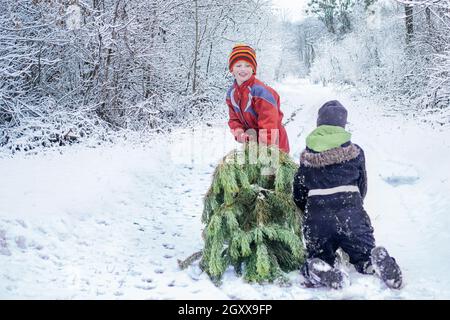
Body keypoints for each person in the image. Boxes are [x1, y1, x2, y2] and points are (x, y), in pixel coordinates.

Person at [293, 100, 402, 289]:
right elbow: (362, 186)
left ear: (319, 124)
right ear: (343, 125)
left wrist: (309, 212)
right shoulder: (356, 152)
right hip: (352, 213)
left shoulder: (306, 157)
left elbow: (299, 193)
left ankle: (321, 268)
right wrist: (355, 208)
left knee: (319, 255)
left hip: (318, 217)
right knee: (363, 255)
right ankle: (373, 262)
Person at [226, 43, 290, 153]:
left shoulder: (261, 92)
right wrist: (240, 133)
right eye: (238, 65)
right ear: (232, 69)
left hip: (273, 145)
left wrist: (263, 149)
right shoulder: (231, 94)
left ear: (253, 69)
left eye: (248, 65)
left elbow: (269, 123)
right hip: (253, 145)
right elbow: (234, 119)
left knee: (271, 170)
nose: (243, 69)